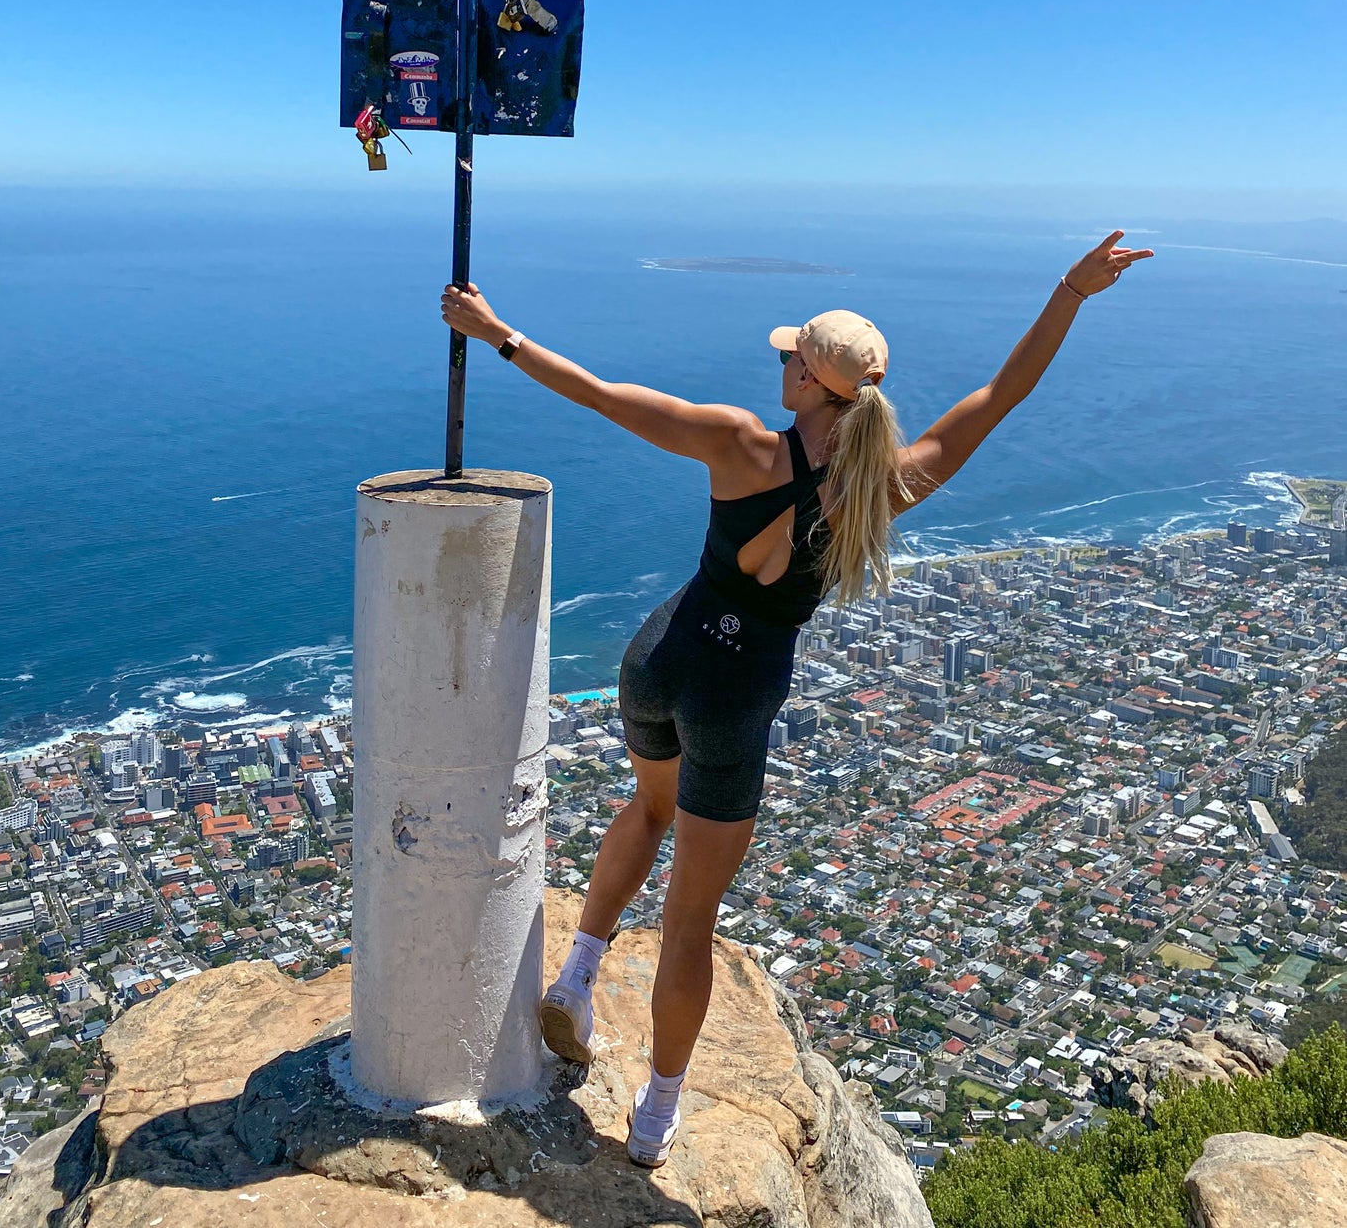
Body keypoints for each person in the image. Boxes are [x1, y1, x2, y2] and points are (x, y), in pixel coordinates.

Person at [439, 229, 1152, 1166]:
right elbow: (1001, 396)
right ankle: (655, 1114)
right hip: (735, 695)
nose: (777, 361)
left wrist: (498, 334)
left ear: (813, 380)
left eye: (788, 354)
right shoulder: (883, 486)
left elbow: (604, 399)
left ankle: (577, 976)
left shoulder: (740, 444)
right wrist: (1069, 291)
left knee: (648, 806)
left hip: (661, 653)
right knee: (691, 922)